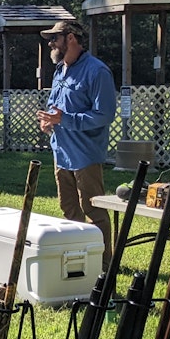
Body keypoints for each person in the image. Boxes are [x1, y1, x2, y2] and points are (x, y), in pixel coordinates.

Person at [37, 19, 117, 265]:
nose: (50, 43)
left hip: (86, 156)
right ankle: (77, 259)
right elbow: (56, 106)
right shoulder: (60, 69)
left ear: (70, 38)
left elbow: (104, 114)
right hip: (61, 152)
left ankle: (102, 265)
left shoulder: (97, 71)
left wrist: (66, 119)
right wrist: (49, 122)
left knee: (93, 212)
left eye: (54, 38)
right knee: (69, 210)